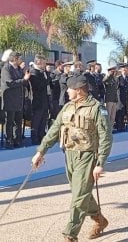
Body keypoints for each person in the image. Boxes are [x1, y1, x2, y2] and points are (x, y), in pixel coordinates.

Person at [31, 74, 112, 242]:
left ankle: (70, 234)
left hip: (88, 156)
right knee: (80, 193)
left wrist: (100, 163)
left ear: (79, 90)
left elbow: (106, 137)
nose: (67, 91)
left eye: (69, 88)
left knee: (79, 197)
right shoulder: (68, 107)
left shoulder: (97, 108)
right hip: (70, 155)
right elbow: (54, 130)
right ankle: (100, 220)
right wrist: (41, 151)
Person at [1, 51, 30, 149]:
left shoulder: (18, 69)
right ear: (14, 59)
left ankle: (17, 140)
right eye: (19, 58)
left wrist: (25, 77)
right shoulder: (6, 68)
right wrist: (24, 80)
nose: (21, 60)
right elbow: (9, 83)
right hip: (10, 100)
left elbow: (23, 82)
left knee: (18, 122)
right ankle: (9, 141)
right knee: (9, 122)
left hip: (18, 100)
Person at [29, 54, 51, 145]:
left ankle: (41, 136)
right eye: (44, 63)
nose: (45, 65)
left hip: (44, 100)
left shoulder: (43, 72)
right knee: (37, 120)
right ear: (39, 63)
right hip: (37, 100)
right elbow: (38, 86)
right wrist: (46, 77)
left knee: (43, 120)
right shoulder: (34, 72)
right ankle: (35, 138)